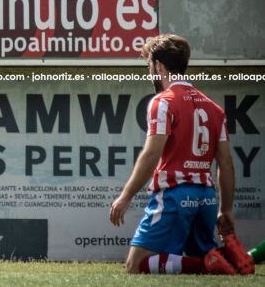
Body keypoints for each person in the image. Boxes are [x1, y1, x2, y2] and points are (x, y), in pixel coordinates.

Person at [109, 34, 254, 275]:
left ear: (159, 66)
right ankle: (215, 260)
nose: (150, 72)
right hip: (206, 198)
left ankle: (211, 261)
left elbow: (151, 153)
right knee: (199, 267)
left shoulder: (164, 102)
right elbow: (226, 164)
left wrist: (125, 197)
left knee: (134, 266)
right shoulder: (213, 108)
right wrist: (225, 209)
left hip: (175, 195)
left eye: (150, 66)